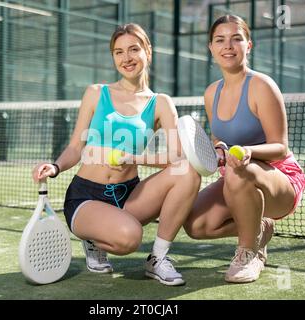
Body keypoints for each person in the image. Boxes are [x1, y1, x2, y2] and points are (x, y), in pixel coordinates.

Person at [32, 23, 201, 286]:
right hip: (86, 196)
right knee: (129, 240)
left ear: (148, 51)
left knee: (187, 172)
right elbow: (76, 147)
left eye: (134, 49)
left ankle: (157, 259)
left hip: (128, 195)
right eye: (119, 52)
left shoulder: (161, 103)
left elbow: (176, 158)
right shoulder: (96, 93)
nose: (126, 58)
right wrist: (54, 167)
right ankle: (91, 240)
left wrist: (133, 158)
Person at [183, 15, 305, 283]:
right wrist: (218, 148)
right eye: (220, 40)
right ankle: (260, 228)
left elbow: (280, 148)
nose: (228, 45)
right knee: (195, 224)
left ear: (248, 45)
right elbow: (219, 138)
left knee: (238, 169)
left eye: (236, 38)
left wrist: (249, 152)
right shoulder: (210, 93)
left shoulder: (262, 86)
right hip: (236, 175)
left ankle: (248, 252)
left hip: (279, 180)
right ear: (211, 48)